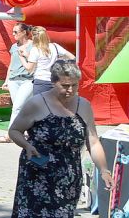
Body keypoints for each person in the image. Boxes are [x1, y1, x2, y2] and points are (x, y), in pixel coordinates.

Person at [9, 60, 113, 218]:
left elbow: (93, 140)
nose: (70, 90)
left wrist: (104, 170)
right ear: (53, 82)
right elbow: (14, 131)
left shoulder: (83, 106)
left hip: (68, 178)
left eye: (74, 85)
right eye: (64, 86)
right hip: (37, 176)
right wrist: (26, 145)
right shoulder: (36, 104)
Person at [0, 23, 34, 144]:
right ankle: (25, 131)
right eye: (13, 32)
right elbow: (11, 64)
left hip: (27, 80)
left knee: (17, 107)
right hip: (13, 80)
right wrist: (7, 80)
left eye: (16, 32)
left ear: (24, 33)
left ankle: (9, 134)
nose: (13, 34)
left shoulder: (33, 46)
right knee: (21, 107)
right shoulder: (14, 47)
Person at [22, 26, 75, 96]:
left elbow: (29, 69)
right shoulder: (55, 46)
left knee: (40, 105)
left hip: (41, 82)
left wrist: (22, 58)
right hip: (55, 81)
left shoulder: (35, 49)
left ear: (34, 37)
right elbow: (72, 57)